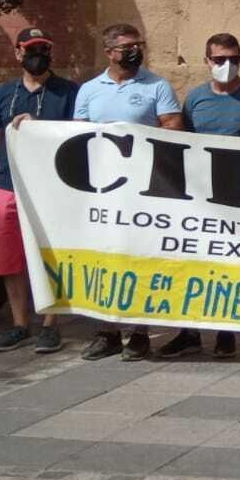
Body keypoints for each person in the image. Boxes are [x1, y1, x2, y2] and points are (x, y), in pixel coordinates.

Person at [75, 23, 182, 360]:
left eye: (139, 45)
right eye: (127, 47)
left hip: (142, 188)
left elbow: (173, 128)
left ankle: (139, 331)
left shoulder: (157, 86)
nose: (136, 51)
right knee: (104, 256)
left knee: (139, 256)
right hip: (102, 189)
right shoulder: (90, 90)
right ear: (109, 52)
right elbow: (76, 135)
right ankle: (105, 331)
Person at [156, 33, 240, 360]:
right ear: (207, 61)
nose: (227, 66)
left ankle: (225, 331)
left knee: (229, 263)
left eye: (234, 59)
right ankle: (188, 332)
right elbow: (183, 139)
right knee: (194, 262)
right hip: (199, 196)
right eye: (219, 60)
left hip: (239, 195)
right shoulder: (196, 98)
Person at [0, 27, 78, 354]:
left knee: (51, 253)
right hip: (8, 184)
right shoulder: (5, 92)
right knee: (10, 257)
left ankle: (51, 323)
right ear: (18, 53)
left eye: (44, 49)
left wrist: (40, 126)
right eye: (31, 49)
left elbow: (77, 136)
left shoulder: (69, 92)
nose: (39, 56)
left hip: (52, 186)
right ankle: (20, 322)